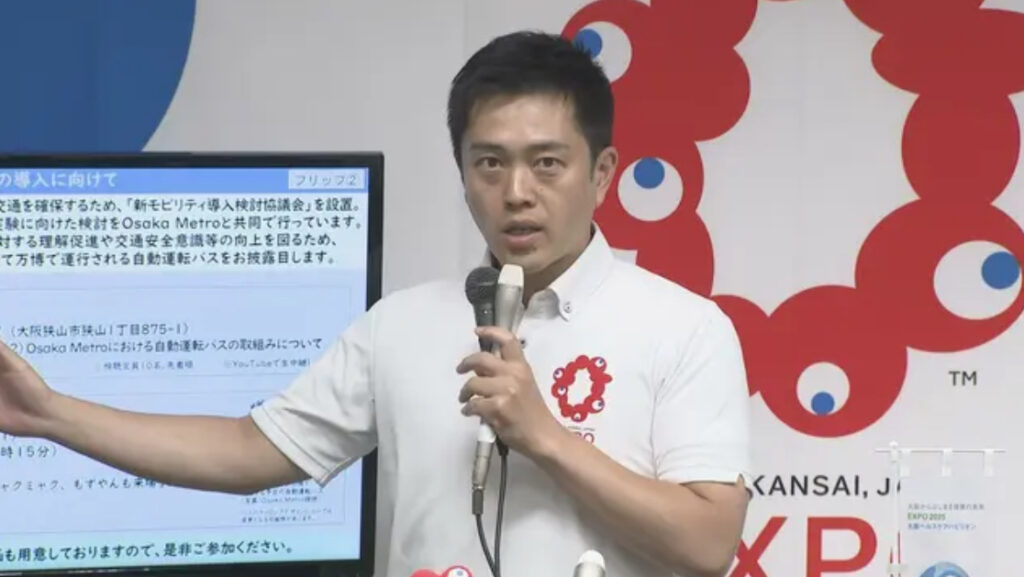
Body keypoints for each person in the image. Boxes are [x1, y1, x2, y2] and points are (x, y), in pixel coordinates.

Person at [0, 31, 750, 577]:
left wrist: (546, 437)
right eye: (489, 163)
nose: (516, 192)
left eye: (546, 163)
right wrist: (51, 414)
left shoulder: (683, 328)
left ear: (603, 173)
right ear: (462, 173)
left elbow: (709, 542)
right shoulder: (403, 323)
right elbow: (247, 450)